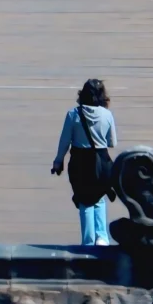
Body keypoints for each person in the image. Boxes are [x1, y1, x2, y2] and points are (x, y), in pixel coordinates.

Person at [51, 79, 116, 246]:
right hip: (101, 161)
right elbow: (112, 142)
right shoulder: (107, 114)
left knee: (84, 200)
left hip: (80, 161)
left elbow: (65, 141)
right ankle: (102, 238)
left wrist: (58, 162)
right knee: (99, 197)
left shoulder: (73, 114)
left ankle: (88, 242)